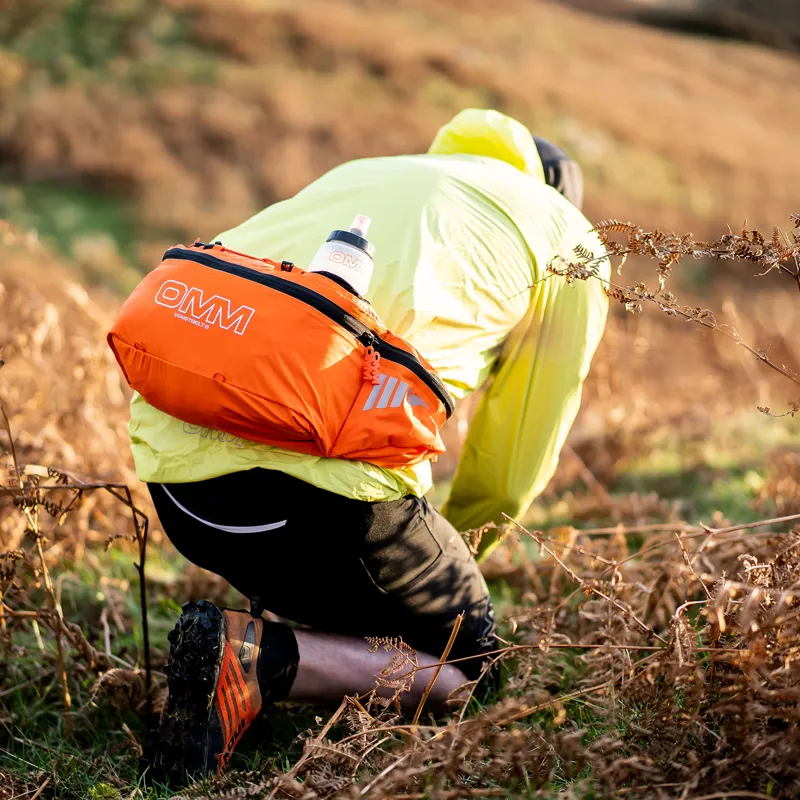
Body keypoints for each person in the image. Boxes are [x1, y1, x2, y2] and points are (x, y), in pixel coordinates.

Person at [129, 108, 610, 780]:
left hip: (177, 488)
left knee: (343, 551)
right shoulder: (571, 241)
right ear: (557, 193)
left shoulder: (366, 175)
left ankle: (262, 643)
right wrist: (453, 557)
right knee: (470, 671)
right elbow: (510, 466)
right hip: (322, 511)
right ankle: (257, 658)